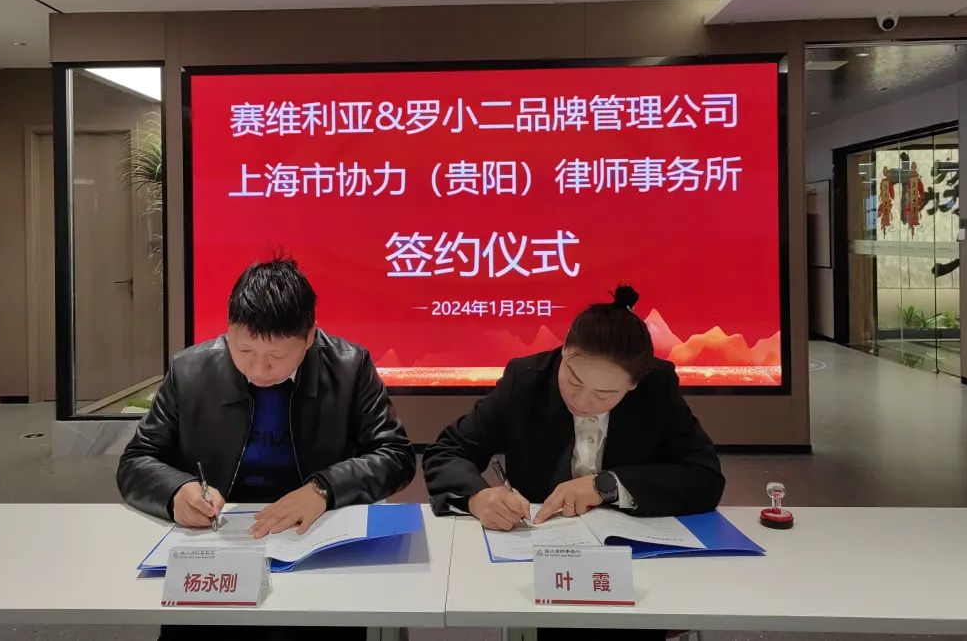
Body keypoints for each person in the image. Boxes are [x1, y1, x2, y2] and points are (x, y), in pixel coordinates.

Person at [118, 258, 415, 641]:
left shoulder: (349, 367)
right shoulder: (190, 371)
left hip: (313, 539)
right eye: (244, 350)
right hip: (218, 543)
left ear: (309, 337)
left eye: (276, 357)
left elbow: (395, 455)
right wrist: (176, 491)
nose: (258, 370)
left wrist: (323, 489)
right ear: (228, 329)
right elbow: (137, 460)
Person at [422, 285, 724, 641]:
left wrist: (605, 486)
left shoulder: (656, 387)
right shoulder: (527, 380)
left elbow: (704, 476)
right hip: (541, 565)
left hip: (633, 563)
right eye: (573, 380)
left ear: (633, 385)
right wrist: (477, 497)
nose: (582, 401)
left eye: (604, 394)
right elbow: (447, 451)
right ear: (564, 350)